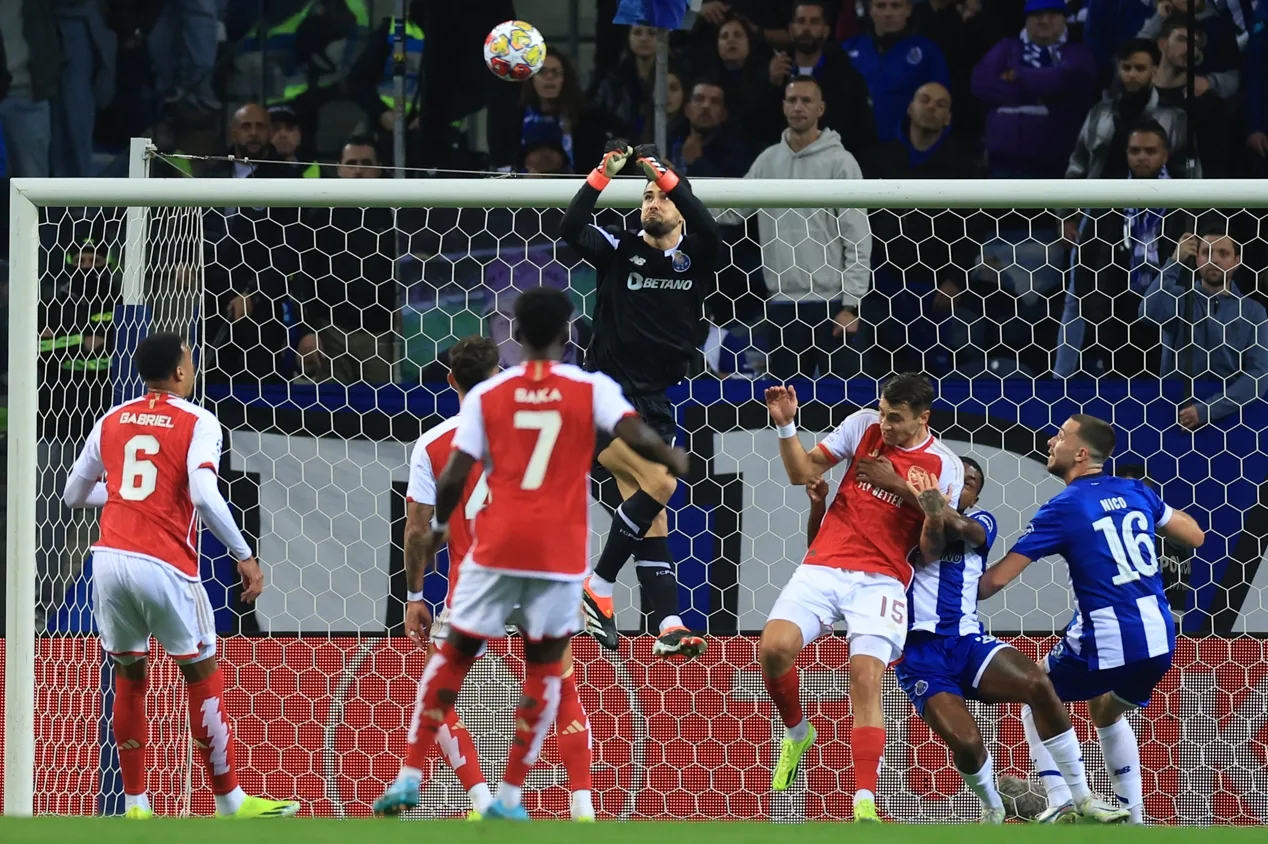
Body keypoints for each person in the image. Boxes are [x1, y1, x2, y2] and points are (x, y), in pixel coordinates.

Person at [372, 288, 688, 820]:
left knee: (449, 664)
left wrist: (445, 526)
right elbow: (638, 435)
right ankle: (558, 804)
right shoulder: (589, 388)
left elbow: (453, 478)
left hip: (493, 555)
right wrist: (670, 457)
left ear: (515, 337)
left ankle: (409, 776)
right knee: (551, 677)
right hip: (557, 560)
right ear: (568, 335)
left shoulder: (489, 401)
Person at [61, 332, 299, 819]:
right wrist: (244, 553)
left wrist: (127, 495)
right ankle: (230, 800)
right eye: (190, 361)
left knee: (129, 674)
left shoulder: (110, 419)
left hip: (107, 561)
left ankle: (135, 805)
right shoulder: (198, 421)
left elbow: (72, 495)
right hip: (165, 564)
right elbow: (206, 495)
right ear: (180, 372)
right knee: (200, 671)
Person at [389, 335, 596, 821]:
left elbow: (418, 530)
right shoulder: (533, 430)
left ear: (450, 382)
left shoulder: (434, 444)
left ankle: (481, 799)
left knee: (438, 691)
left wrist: (415, 594)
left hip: (476, 581)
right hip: (541, 573)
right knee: (559, 683)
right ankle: (582, 805)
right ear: (501, 375)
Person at [979, 413, 1206, 824]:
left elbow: (994, 581)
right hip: (1160, 637)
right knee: (1105, 712)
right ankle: (1134, 820)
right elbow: (1194, 536)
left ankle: (1063, 799)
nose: (1051, 441)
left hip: (1109, 632)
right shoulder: (1136, 490)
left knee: (1037, 692)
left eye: (1061, 436)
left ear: (1081, 453)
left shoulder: (1064, 506)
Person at [877, 459, 1128, 824]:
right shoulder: (900, 522)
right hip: (920, 656)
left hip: (969, 643)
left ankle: (1080, 797)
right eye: (959, 477)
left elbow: (964, 530)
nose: (964, 485)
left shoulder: (983, 520)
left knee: (1038, 683)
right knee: (966, 744)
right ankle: (993, 806)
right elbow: (921, 542)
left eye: (972, 482)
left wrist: (903, 487)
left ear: (977, 494)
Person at [761, 374, 964, 822]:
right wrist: (786, 426)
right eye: (884, 411)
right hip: (824, 564)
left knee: (865, 675)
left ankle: (864, 801)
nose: (886, 424)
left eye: (896, 418)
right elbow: (803, 472)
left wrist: (904, 491)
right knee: (772, 649)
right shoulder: (862, 425)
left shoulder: (943, 464)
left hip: (883, 579)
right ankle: (797, 733)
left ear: (922, 418)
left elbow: (931, 552)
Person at [560, 142, 718, 659]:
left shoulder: (698, 260)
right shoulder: (618, 248)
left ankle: (668, 622)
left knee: (653, 514)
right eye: (646, 196)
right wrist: (601, 176)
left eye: (661, 197)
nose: (652, 202)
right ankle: (598, 585)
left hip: (654, 401)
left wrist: (667, 176)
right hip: (603, 398)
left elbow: (707, 225)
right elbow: (569, 231)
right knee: (661, 481)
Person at [716, 76, 873, 380]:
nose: (798, 107)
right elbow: (732, 210)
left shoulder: (841, 162)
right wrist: (678, 191)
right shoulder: (769, 161)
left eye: (806, 101)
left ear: (821, 109)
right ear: (783, 106)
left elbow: (858, 237)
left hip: (832, 304)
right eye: (792, 100)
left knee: (839, 405)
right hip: (782, 305)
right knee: (784, 408)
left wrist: (852, 305)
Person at [1139, 227, 1268, 428]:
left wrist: (1209, 410)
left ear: (1237, 261)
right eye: (1206, 253)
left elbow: (1259, 374)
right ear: (1197, 258)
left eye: (1223, 253)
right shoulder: (1178, 298)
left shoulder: (1253, 312)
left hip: (1230, 414)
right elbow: (1147, 314)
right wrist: (1174, 263)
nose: (1213, 260)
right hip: (1175, 410)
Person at [971, 0, 1097, 179]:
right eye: (1037, 15)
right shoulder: (1007, 47)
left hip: (1055, 159)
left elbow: (1063, 80)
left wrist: (1017, 75)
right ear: (1026, 19)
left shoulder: (1076, 52)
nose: (1044, 20)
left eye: (1052, 15)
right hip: (1004, 157)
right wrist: (1036, 96)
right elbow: (981, 83)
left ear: (1064, 19)